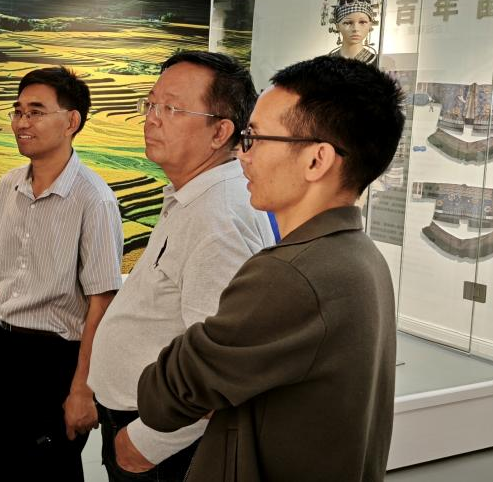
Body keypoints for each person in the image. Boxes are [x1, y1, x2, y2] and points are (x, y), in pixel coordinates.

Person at [137, 55, 404, 481]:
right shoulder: (361, 256)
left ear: (316, 160)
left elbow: (163, 395)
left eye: (255, 138)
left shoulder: (288, 275)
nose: (242, 155)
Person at [89, 51, 274, 481]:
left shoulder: (217, 219)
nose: (151, 118)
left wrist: (146, 443)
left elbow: (221, 367)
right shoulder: (194, 196)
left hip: (162, 441)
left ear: (220, 132)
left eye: (171, 108)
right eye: (151, 104)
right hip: (145, 419)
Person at [0, 67, 124, 481]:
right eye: (18, 111)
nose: (22, 123)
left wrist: (83, 388)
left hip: (57, 360)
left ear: (71, 121)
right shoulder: (8, 186)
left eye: (36, 112)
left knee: (50, 472)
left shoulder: (94, 200)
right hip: (5, 350)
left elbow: (102, 300)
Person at [321, 0, 381, 64]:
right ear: (337, 26)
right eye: (348, 23)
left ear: (370, 24)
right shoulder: (323, 65)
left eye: (362, 22)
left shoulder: (379, 64)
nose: (355, 29)